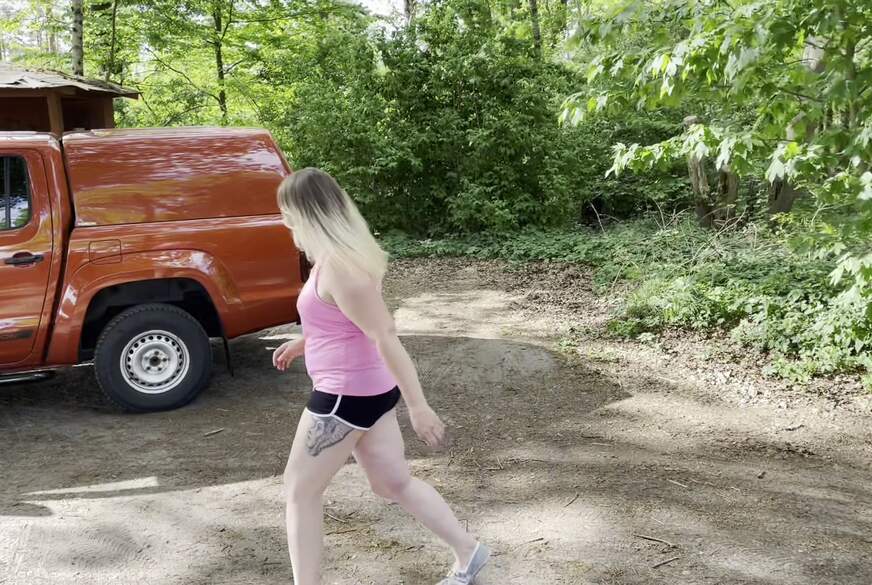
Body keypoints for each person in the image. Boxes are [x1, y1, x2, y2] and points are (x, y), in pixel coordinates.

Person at [272, 168, 491, 585]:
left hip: (344, 398)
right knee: (393, 483)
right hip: (368, 394)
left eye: (287, 213)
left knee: (299, 491)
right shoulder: (338, 258)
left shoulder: (340, 267)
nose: (284, 222)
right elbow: (343, 321)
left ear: (307, 213)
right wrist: (306, 342)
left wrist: (418, 406)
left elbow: (384, 334)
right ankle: (468, 551)